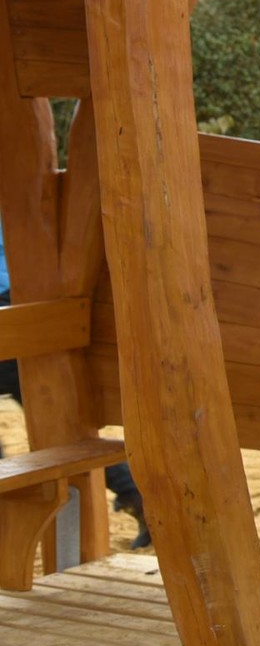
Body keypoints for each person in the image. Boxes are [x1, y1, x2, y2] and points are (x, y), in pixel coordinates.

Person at [0, 215, 150, 549]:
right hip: (22, 305)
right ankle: (137, 497)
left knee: (66, 434)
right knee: (65, 430)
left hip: (13, 310)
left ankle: (137, 497)